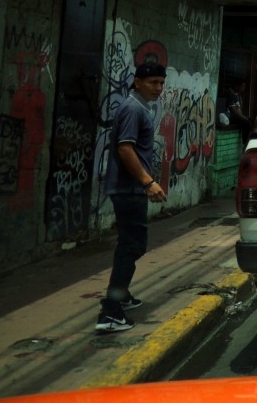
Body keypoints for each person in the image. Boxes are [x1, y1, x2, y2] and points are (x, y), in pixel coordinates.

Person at [96, 61, 169, 333]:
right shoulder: (132, 109)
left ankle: (121, 296)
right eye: (153, 82)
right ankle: (110, 312)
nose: (158, 88)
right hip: (129, 189)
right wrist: (147, 182)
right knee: (132, 246)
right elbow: (125, 149)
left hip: (129, 187)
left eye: (161, 83)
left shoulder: (137, 107)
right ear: (137, 82)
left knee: (129, 244)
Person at [223, 78, 252, 144]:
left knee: (249, 120)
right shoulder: (230, 93)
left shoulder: (237, 95)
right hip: (228, 117)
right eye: (242, 86)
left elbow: (238, 109)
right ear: (236, 86)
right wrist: (243, 118)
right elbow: (233, 110)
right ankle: (245, 143)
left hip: (234, 117)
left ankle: (247, 140)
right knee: (248, 123)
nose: (243, 88)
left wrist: (243, 117)